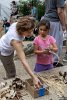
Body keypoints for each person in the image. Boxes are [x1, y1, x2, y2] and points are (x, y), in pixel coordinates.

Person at [0, 16, 41, 88]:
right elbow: (23, 61)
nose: (31, 34)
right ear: (21, 30)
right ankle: (9, 87)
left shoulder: (17, 24)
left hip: (4, 42)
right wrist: (33, 77)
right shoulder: (16, 41)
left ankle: (8, 77)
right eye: (28, 32)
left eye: (32, 30)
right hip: (4, 51)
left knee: (10, 65)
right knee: (12, 73)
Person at [41, 0, 67, 67]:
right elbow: (60, 11)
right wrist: (63, 25)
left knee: (46, 43)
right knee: (56, 43)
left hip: (46, 19)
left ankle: (45, 62)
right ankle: (53, 63)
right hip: (54, 21)